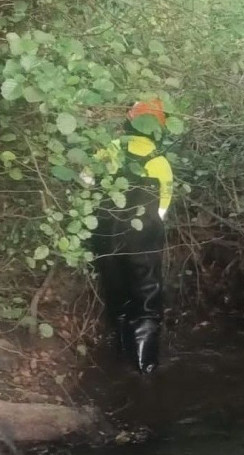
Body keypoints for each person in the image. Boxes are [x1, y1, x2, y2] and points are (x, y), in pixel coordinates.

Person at [93, 100, 174, 374]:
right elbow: (161, 212)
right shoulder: (161, 163)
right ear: (157, 129)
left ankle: (120, 358)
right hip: (143, 243)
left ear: (130, 122)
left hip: (106, 238)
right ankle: (144, 369)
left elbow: (85, 183)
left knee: (119, 300)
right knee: (146, 305)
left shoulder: (110, 150)